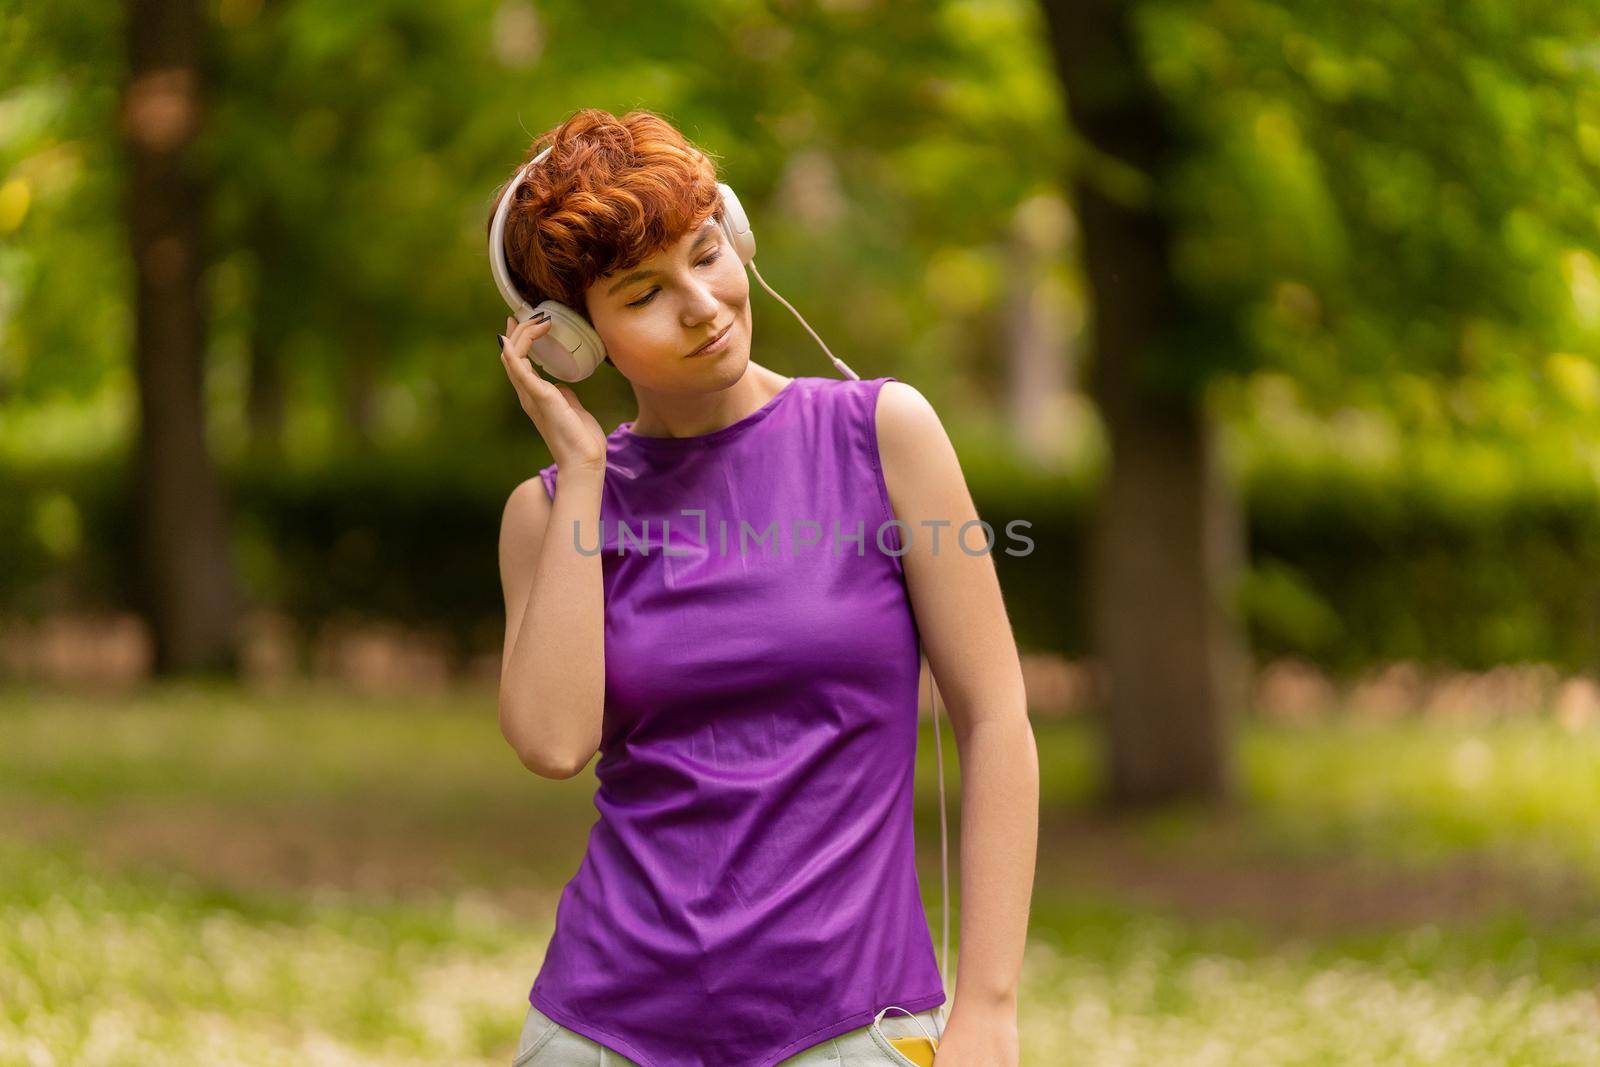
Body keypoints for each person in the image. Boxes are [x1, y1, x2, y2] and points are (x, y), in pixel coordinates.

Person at [492, 107, 1037, 1067]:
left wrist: (989, 1009)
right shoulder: (549, 514)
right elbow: (551, 742)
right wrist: (582, 473)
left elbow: (994, 716)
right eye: (643, 293)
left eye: (707, 255)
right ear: (577, 340)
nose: (701, 303)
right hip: (601, 1032)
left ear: (738, 237)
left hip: (853, 1032)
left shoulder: (883, 435)